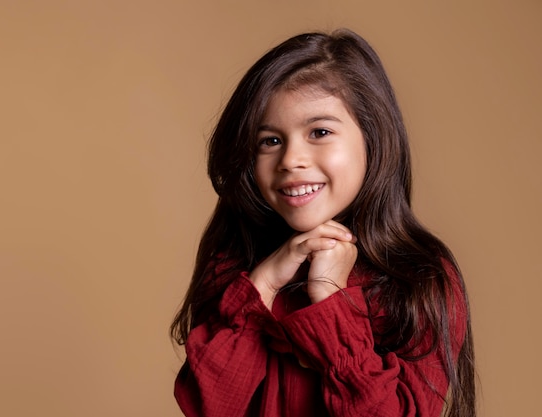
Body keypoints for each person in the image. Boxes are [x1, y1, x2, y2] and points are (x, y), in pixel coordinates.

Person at [170, 29, 475, 417]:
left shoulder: (420, 278)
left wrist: (330, 299)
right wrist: (263, 284)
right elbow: (206, 405)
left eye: (320, 132)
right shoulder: (237, 261)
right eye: (269, 141)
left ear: (373, 138)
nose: (290, 160)